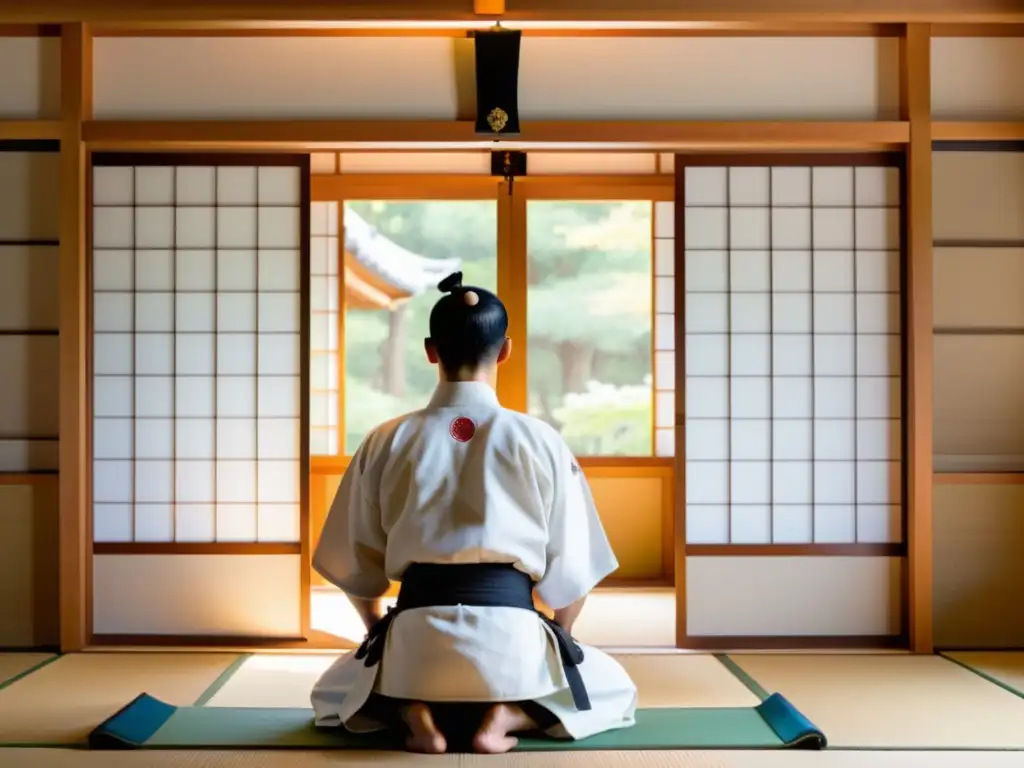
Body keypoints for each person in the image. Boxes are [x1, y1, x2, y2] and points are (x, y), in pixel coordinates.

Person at [310, 271, 637, 754]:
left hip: (415, 642)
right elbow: (574, 562)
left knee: (333, 690)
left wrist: (376, 628)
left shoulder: (386, 438)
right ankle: (509, 714)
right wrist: (559, 644)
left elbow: (351, 561)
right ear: (504, 350)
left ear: (429, 350)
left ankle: (411, 711)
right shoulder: (539, 439)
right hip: (514, 640)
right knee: (613, 687)